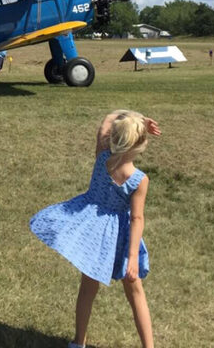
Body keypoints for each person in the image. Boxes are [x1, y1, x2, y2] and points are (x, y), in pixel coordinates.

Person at [30, 111, 161, 348]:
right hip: (120, 237)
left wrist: (136, 117)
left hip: (93, 232)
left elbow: (108, 119)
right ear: (141, 144)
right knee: (136, 294)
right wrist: (132, 257)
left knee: (88, 289)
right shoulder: (139, 180)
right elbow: (137, 219)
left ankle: (78, 342)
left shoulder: (102, 157)